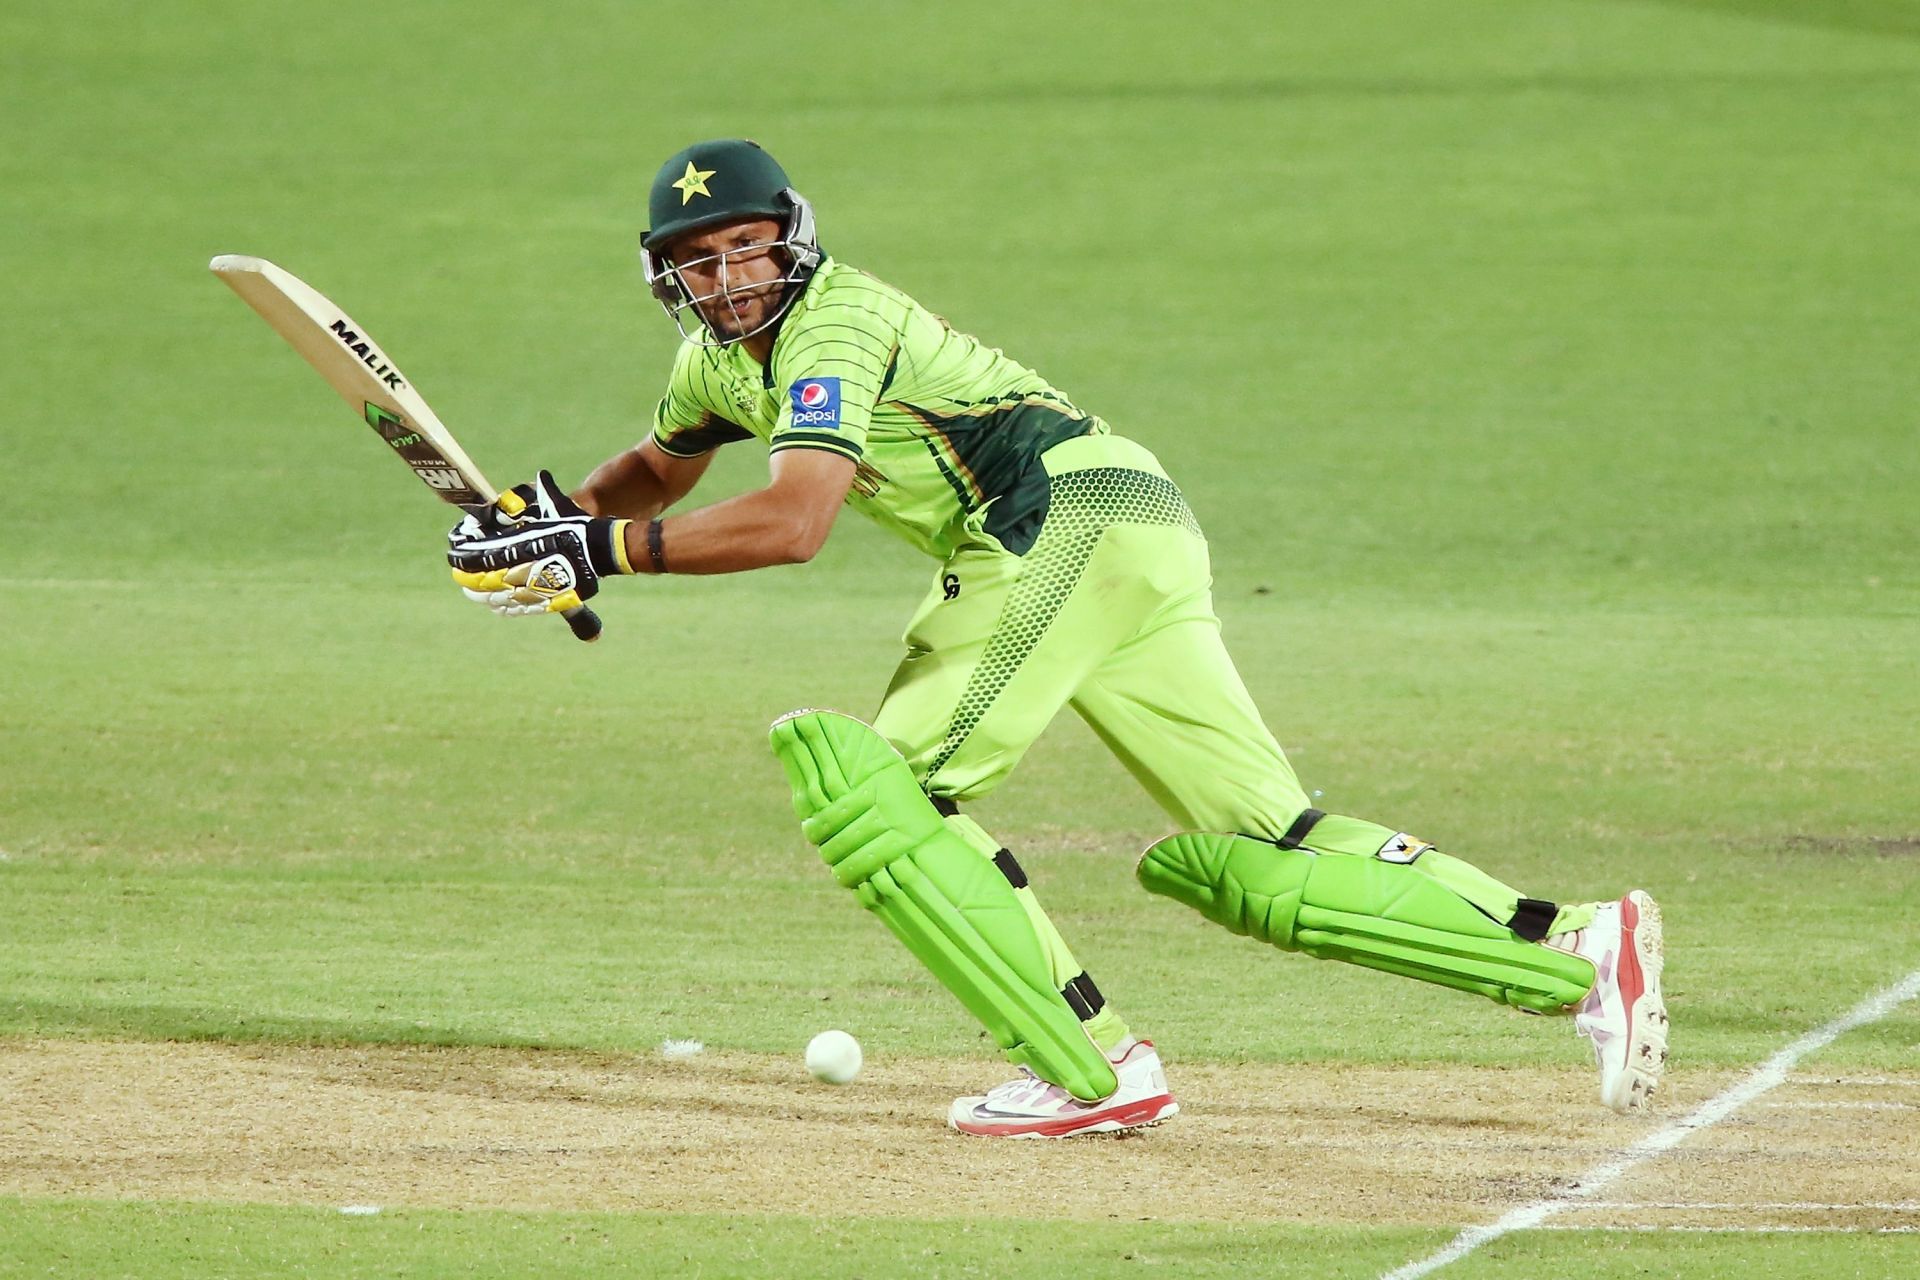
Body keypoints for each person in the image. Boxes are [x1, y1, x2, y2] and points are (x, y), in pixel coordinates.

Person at [447, 138, 1669, 1138]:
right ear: (671, 276)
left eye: (748, 245)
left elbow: (795, 521)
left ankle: (1092, 1068)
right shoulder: (715, 359)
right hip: (1132, 518)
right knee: (1264, 840)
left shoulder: (833, 327)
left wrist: (591, 555)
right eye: (699, 261)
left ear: (792, 236)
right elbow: (650, 471)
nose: (730, 277)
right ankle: (1578, 950)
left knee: (887, 790)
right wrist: (538, 523)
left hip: (1052, 524)